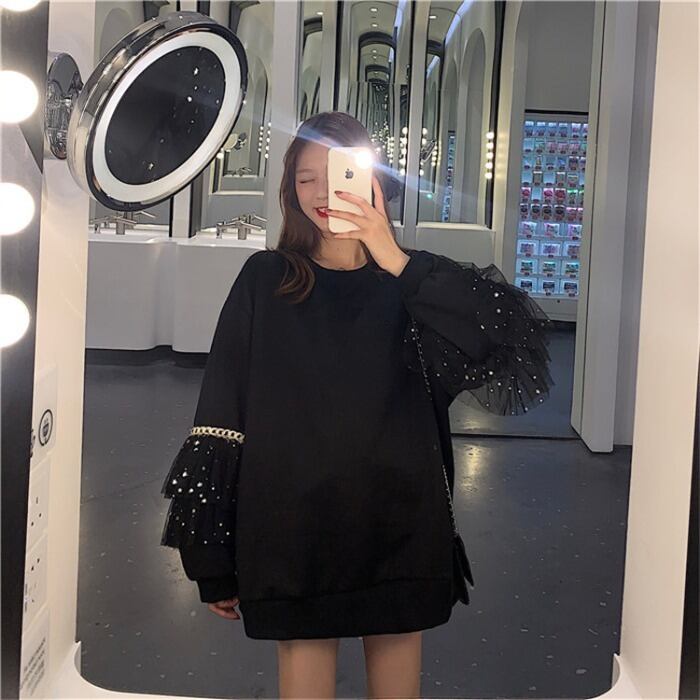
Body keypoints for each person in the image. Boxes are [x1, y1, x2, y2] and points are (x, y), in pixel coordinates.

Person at [159, 111, 555, 698]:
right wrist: (210, 553)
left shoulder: (411, 282)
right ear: (290, 190)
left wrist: (394, 259)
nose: (324, 194)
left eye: (340, 174)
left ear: (374, 181)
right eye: (306, 179)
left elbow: (511, 339)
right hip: (292, 529)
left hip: (399, 524)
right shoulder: (266, 279)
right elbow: (221, 412)